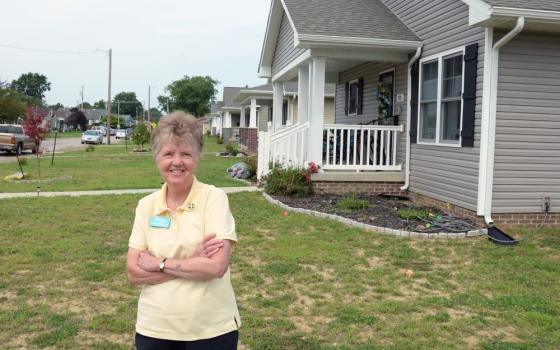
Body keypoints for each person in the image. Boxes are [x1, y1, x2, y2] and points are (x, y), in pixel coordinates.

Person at [126, 111, 240, 350]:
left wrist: (159, 263)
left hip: (210, 330)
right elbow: (134, 273)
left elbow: (216, 267)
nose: (176, 162)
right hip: (154, 329)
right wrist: (194, 262)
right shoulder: (146, 206)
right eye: (168, 153)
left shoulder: (214, 199)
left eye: (186, 154)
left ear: (197, 157)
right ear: (157, 157)